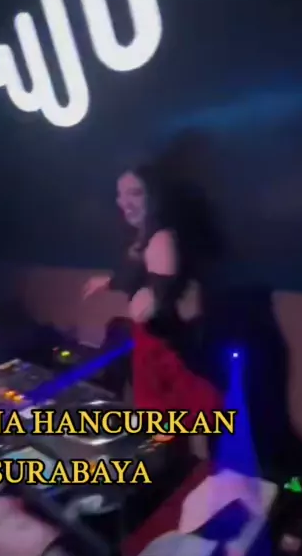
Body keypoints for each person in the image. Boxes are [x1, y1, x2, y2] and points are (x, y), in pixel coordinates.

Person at [83, 166, 221, 422]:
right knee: (156, 416)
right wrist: (109, 282)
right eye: (120, 194)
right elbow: (135, 276)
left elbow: (161, 293)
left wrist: (153, 297)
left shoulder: (161, 239)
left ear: (153, 197)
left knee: (167, 417)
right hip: (147, 341)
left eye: (135, 193)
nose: (124, 202)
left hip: (162, 345)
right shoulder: (144, 238)